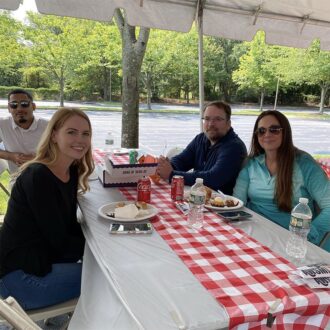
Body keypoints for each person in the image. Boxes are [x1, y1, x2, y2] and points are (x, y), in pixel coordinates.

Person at [0, 108, 94, 310]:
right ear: (53, 135)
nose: (80, 139)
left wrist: (100, 239)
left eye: (86, 133)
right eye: (71, 132)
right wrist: (100, 249)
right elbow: (59, 242)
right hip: (19, 279)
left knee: (103, 266)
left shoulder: (70, 170)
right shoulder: (39, 176)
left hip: (40, 262)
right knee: (107, 276)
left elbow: (68, 225)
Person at [233, 110, 330, 251]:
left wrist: (308, 236)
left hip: (291, 242)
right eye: (261, 131)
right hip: (256, 234)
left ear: (285, 133)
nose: (267, 135)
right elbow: (238, 202)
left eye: (274, 130)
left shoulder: (305, 164)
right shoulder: (251, 164)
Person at [156, 101, 247, 194]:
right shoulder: (200, 139)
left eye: (218, 119)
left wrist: (172, 174)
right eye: (207, 119)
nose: (211, 124)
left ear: (228, 123)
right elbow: (182, 161)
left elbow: (213, 179)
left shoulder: (234, 147)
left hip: (221, 204)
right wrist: (165, 166)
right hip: (198, 199)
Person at [0, 89, 48, 178]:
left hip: (47, 177)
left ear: (33, 106)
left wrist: (38, 160)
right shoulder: (2, 125)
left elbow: (63, 152)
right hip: (17, 180)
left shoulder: (48, 126)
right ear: (9, 108)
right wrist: (11, 156)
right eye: (14, 105)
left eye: (24, 104)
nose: (19, 109)